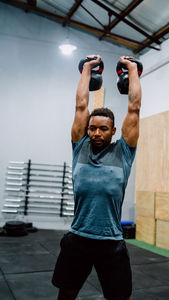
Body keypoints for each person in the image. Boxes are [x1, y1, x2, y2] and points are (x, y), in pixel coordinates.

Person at [52, 55, 142, 300]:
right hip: (77, 238)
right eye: (92, 128)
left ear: (114, 131)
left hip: (111, 242)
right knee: (66, 295)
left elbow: (134, 107)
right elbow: (81, 105)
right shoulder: (79, 148)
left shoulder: (123, 152)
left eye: (103, 128)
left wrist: (132, 69)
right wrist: (88, 69)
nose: (96, 133)